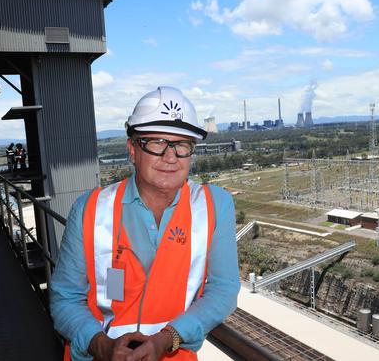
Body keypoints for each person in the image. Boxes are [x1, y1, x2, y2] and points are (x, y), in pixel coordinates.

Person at [50, 86, 240, 361]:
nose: (170, 156)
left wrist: (167, 338)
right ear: (132, 149)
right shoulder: (90, 209)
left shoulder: (215, 206)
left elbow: (223, 289)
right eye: (156, 142)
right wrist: (101, 345)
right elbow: (64, 297)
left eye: (181, 144)